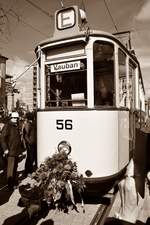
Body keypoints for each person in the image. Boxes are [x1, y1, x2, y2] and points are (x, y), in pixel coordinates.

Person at [1, 111, 23, 189]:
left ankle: (14, 182)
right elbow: (2, 138)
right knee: (10, 168)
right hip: (10, 151)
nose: (15, 119)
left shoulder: (16, 126)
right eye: (14, 118)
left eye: (16, 118)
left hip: (16, 151)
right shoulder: (7, 126)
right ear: (11, 118)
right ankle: (10, 185)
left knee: (15, 168)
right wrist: (5, 149)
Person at [22, 111, 37, 177]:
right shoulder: (28, 124)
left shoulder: (32, 123)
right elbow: (25, 135)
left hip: (33, 143)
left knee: (32, 157)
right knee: (29, 158)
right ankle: (27, 172)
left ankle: (29, 171)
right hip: (30, 144)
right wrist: (29, 142)